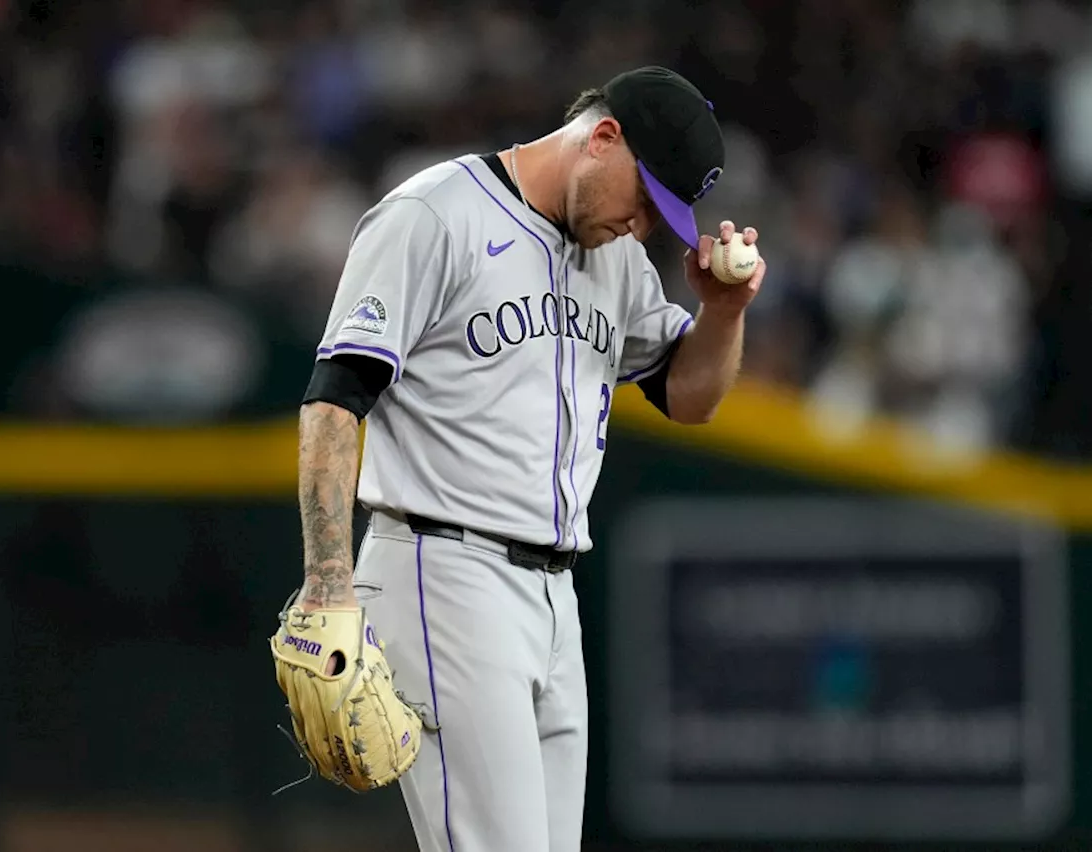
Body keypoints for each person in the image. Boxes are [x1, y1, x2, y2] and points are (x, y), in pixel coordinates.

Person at [293, 65, 764, 851]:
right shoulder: (433, 214)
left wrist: (722, 312)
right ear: (602, 138)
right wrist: (326, 587)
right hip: (443, 575)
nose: (644, 226)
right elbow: (335, 399)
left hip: (553, 597)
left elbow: (690, 398)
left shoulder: (612, 259)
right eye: (646, 200)